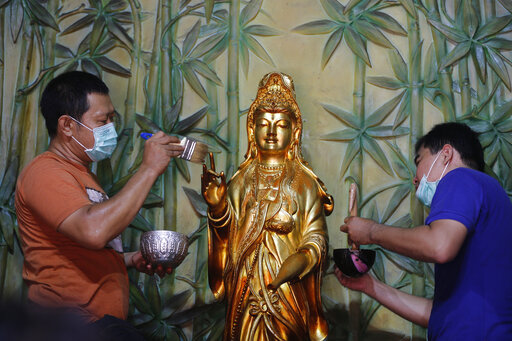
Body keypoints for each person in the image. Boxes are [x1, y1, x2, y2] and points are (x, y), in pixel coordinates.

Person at [14, 71, 184, 339]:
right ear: (67, 126)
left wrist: (129, 260)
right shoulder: (45, 172)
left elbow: (80, 249)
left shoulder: (83, 175)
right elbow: (93, 231)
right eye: (101, 121)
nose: (110, 129)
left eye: (112, 119)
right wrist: (149, 169)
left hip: (95, 325)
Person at [335, 122, 512, 340]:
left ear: (446, 154)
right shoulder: (485, 196)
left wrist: (370, 231)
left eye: (419, 161)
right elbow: (440, 315)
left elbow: (439, 246)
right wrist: (370, 286)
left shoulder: (461, 177)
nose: (415, 179)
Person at [201, 72, 334, 341]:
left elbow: (317, 237)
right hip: (245, 288)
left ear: (295, 133)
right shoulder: (241, 181)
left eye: (281, 124)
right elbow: (227, 238)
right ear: (252, 130)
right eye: (263, 123)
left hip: (287, 289)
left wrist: (304, 257)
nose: (271, 132)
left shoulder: (304, 183)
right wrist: (217, 209)